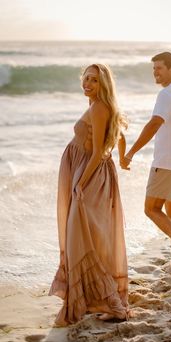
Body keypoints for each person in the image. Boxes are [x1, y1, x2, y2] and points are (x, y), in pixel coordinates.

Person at [49, 63, 130, 326]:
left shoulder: (98, 107)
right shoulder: (100, 106)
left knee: (81, 240)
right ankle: (93, 300)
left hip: (89, 178)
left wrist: (80, 183)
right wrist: (119, 156)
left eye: (93, 80)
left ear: (103, 84)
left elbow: (96, 152)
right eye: (85, 79)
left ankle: (114, 307)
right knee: (87, 239)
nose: (87, 84)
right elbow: (117, 135)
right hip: (88, 174)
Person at [121, 52, 171, 276]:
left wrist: (131, 152)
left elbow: (155, 123)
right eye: (154, 68)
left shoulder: (166, 94)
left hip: (168, 162)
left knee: (151, 209)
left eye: (160, 68)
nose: (155, 72)